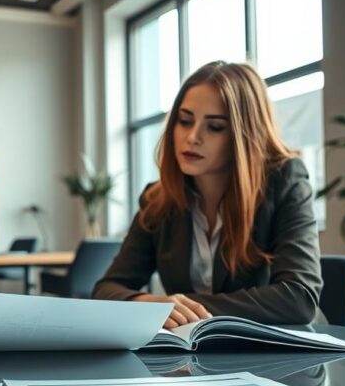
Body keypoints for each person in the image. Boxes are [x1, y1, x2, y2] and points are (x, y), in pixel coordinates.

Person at [93, 61, 322, 327]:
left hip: (284, 358)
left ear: (244, 135)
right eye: (185, 120)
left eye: (214, 127)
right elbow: (107, 288)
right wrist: (151, 305)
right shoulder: (158, 199)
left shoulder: (285, 180)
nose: (192, 137)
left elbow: (299, 298)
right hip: (193, 358)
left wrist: (188, 307)